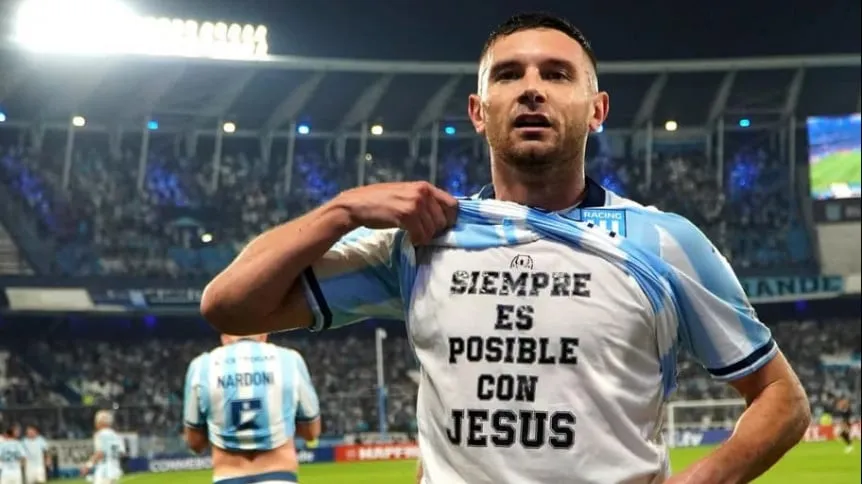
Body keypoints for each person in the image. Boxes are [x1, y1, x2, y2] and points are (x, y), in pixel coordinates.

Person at [201, 11, 811, 484]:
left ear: (597, 110)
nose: (531, 89)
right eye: (508, 74)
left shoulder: (663, 242)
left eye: (557, 74)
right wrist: (342, 211)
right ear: (478, 111)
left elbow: (781, 399)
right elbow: (229, 306)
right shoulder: (421, 240)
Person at [183, 334, 320, 484]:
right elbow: (311, 432)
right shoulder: (289, 360)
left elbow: (195, 443)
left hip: (228, 475)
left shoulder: (201, 367)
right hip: (279, 474)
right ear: (264, 335)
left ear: (224, 337)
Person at [80, 410, 125, 484]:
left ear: (100, 422)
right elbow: (121, 453)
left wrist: (88, 465)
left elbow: (100, 453)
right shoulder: (117, 435)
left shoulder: (100, 434)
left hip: (104, 471)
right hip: (115, 469)